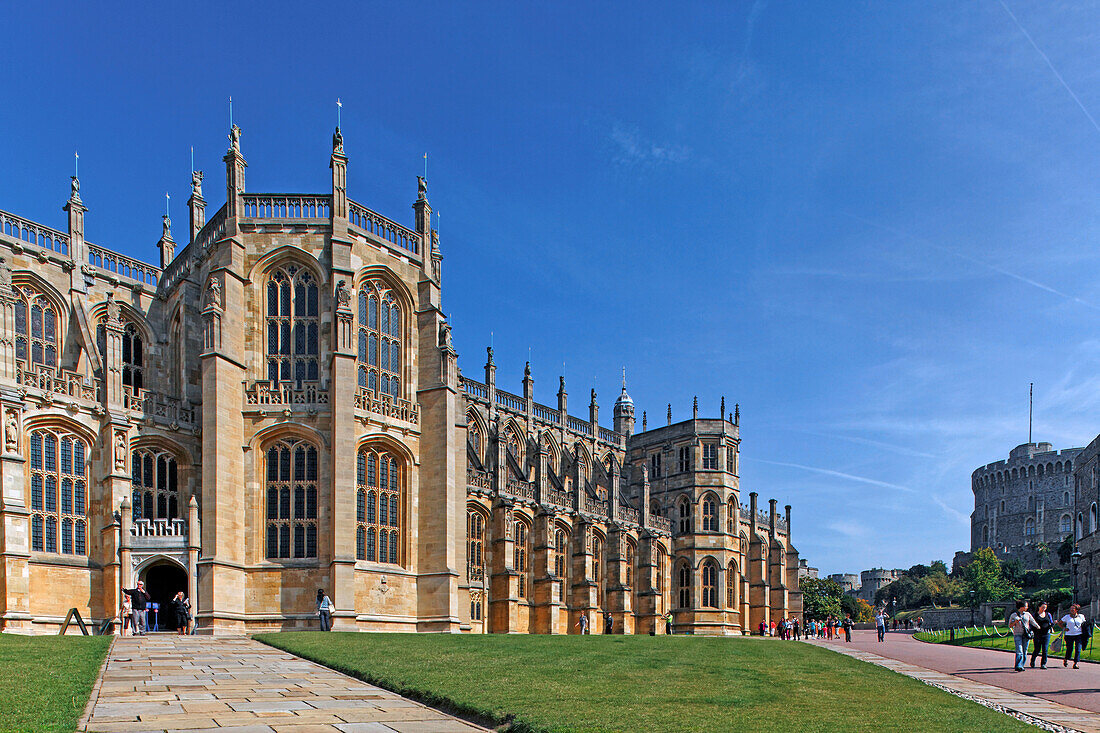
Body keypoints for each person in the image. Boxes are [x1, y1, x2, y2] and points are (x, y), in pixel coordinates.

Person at [1008, 600, 1039, 672]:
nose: (1027, 607)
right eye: (1026, 606)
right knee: (1019, 650)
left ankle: (1021, 665)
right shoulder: (1014, 615)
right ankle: (1018, 665)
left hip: (1026, 634)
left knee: (1024, 651)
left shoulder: (1027, 614)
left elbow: (1032, 621)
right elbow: (1010, 625)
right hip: (1017, 634)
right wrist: (1015, 622)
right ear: (1022, 607)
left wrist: (1038, 627)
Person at [1058, 603, 1087, 669]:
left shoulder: (1081, 616)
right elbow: (1059, 623)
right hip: (1069, 635)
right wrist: (1064, 628)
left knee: (1078, 649)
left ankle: (1075, 663)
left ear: (1076, 610)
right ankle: (1066, 659)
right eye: (1071, 608)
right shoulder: (1067, 617)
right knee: (1069, 649)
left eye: (1073, 609)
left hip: (1078, 635)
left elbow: (1084, 624)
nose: (1071, 610)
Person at [1030, 601, 1054, 669]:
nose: (1044, 609)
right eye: (1043, 607)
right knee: (1037, 649)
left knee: (1045, 649)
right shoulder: (1035, 615)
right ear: (1039, 607)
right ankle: (1033, 660)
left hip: (1046, 634)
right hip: (1037, 634)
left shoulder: (1048, 614)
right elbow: (1031, 624)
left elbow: (1051, 622)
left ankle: (1043, 663)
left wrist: (1052, 625)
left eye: (1045, 608)